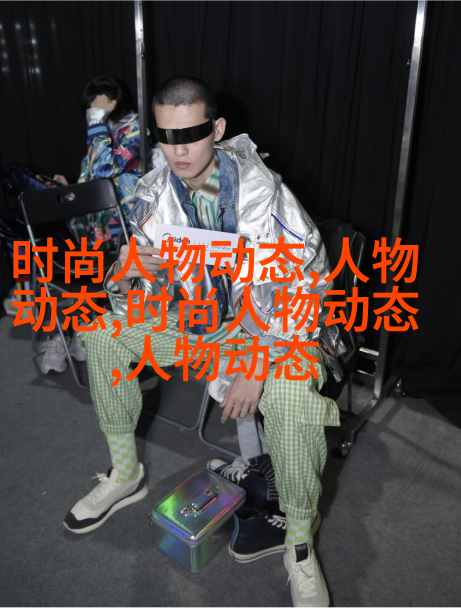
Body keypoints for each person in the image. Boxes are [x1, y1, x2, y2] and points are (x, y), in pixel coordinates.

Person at [64, 76, 341, 608]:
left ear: (216, 128)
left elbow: (310, 285)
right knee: (101, 332)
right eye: (166, 136)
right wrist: (125, 275)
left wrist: (256, 363)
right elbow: (143, 293)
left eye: (191, 133)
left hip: (277, 331)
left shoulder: (262, 191)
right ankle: (126, 473)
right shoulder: (154, 191)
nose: (179, 150)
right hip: (200, 324)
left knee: (291, 399)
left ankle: (300, 539)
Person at [40, 76, 163, 375]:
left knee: (86, 269)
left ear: (112, 102)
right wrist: (69, 188)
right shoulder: (104, 133)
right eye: (90, 108)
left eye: (94, 106)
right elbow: (94, 180)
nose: (91, 111)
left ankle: (77, 332)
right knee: (55, 257)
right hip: (92, 227)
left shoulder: (136, 131)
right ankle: (70, 332)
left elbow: (104, 168)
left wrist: (96, 119)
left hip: (119, 234)